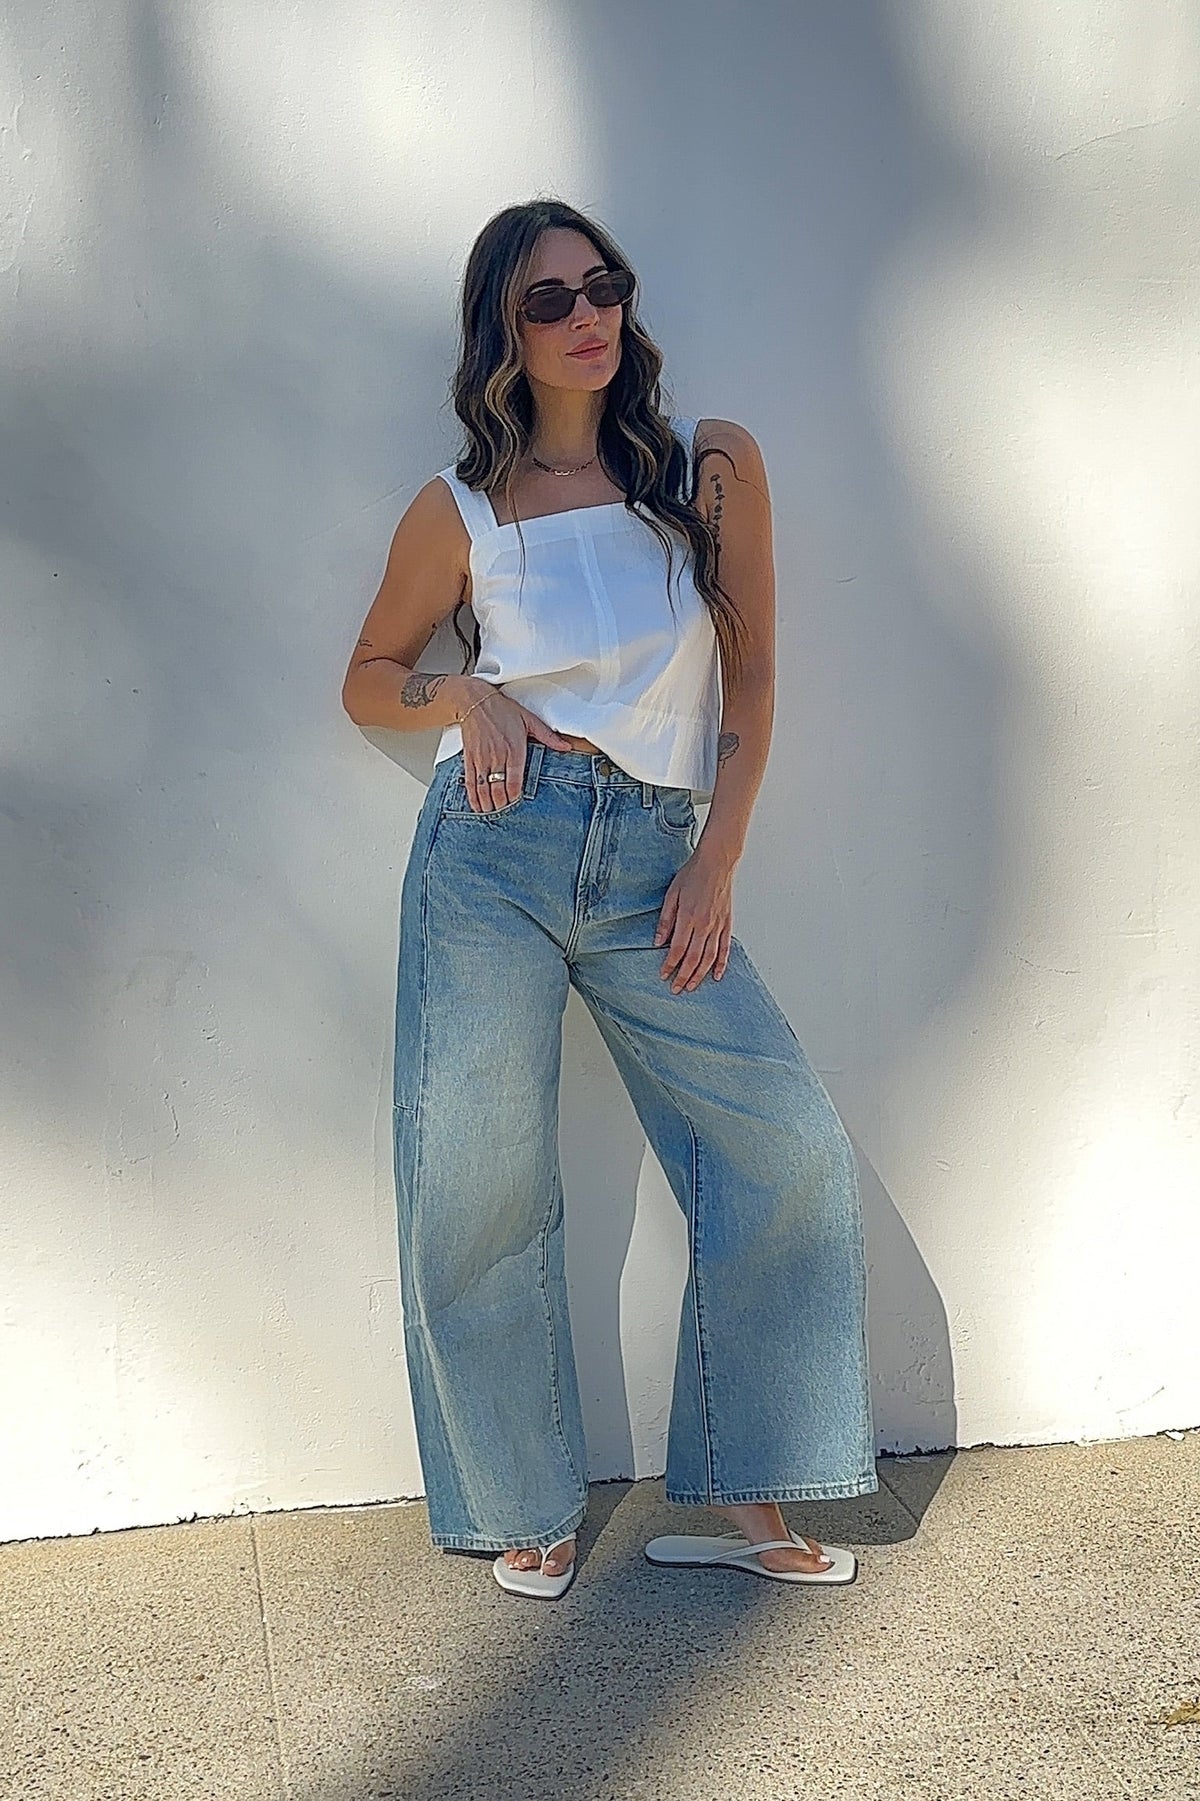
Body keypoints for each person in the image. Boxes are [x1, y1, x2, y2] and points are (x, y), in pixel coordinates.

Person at [342, 199, 876, 1601]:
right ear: (501, 341)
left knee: (785, 1147)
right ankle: (522, 1493)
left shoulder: (706, 471)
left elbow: (750, 679)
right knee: (477, 1177)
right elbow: (368, 673)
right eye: (548, 301)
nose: (588, 315)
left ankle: (747, 1476)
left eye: (606, 286)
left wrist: (719, 855)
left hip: (655, 854)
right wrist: (461, 687)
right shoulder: (457, 509)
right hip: (494, 850)